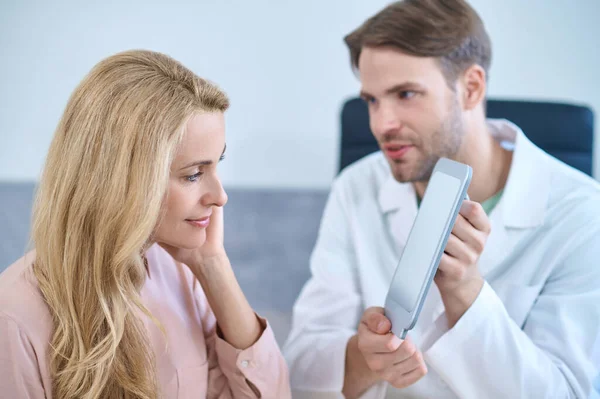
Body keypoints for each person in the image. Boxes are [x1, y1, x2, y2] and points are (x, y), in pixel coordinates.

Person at [283, 0, 600, 398]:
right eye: (372, 100)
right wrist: (365, 358)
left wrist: (466, 292)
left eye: (406, 94)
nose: (382, 124)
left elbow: (568, 393)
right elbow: (298, 367)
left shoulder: (582, 213)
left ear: (471, 88)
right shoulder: (357, 186)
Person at [0, 50, 291, 399]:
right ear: (122, 181)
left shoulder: (181, 273)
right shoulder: (13, 318)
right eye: (194, 174)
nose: (220, 196)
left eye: (218, 164)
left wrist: (213, 266)